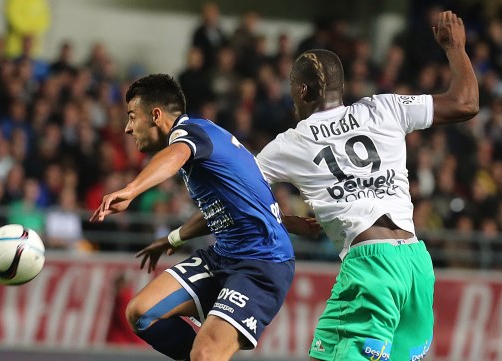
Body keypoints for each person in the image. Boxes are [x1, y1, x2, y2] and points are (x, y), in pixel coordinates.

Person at [255, 11, 478, 361]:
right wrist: (456, 48)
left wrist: (285, 221)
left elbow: (237, 194)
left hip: (371, 267)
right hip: (416, 264)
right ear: (340, 87)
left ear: (301, 90)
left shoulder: (290, 143)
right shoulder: (385, 107)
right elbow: (466, 103)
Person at [90, 74, 307, 361]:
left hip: (261, 264)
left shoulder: (189, 133)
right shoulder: (204, 141)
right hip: (223, 256)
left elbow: (175, 155)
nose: (128, 128)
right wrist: (172, 239)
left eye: (132, 117)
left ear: (156, 115)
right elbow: (220, 208)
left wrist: (131, 190)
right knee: (140, 313)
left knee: (205, 354)